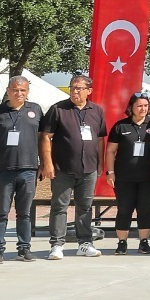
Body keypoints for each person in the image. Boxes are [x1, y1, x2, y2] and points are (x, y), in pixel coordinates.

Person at [40, 74, 106, 259]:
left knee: (85, 207)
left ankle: (85, 243)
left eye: (79, 88)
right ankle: (57, 245)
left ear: (89, 91)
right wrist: (47, 163)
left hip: (89, 168)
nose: (74, 91)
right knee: (59, 206)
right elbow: (45, 137)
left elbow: (100, 139)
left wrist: (100, 163)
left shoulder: (97, 111)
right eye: (72, 87)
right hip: (63, 168)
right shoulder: (58, 109)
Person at [0, 76, 44, 263]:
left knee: (24, 212)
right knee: (1, 212)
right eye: (15, 90)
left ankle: (24, 249)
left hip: (28, 170)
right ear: (8, 91)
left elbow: (42, 140)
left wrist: (44, 164)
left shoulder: (36, 110)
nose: (19, 93)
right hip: (3, 170)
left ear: (28, 91)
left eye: (23, 90)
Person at [103, 92, 150, 255]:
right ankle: (122, 242)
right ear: (131, 107)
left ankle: (144, 242)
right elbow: (110, 151)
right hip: (124, 177)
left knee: (145, 209)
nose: (143, 109)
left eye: (146, 106)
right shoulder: (121, 126)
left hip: (148, 177)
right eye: (139, 106)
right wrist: (110, 172)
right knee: (124, 209)